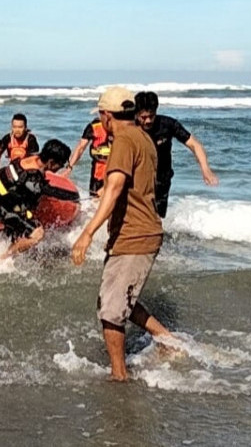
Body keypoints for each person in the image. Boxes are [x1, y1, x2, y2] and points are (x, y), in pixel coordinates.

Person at [71, 86, 180, 381]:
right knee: (119, 302)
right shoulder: (143, 138)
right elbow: (128, 185)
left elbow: (117, 185)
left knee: (111, 310)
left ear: (107, 116)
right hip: (140, 231)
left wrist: (87, 233)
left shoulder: (122, 140)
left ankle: (119, 376)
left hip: (135, 235)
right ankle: (168, 342)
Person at [135, 91, 218, 217]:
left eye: (151, 116)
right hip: (137, 180)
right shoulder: (130, 127)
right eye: (143, 117)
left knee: (157, 218)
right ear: (136, 114)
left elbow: (195, 144)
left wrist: (206, 169)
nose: (148, 121)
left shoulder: (168, 125)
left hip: (162, 180)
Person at [0, 139, 70, 259]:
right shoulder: (33, 178)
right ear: (51, 162)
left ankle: (14, 239)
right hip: (2, 205)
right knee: (38, 233)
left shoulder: (32, 158)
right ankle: (6, 257)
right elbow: (42, 195)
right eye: (61, 164)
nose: (61, 168)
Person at [62, 110, 113, 196]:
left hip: (113, 170)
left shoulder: (121, 127)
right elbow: (80, 148)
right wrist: (69, 167)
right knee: (96, 198)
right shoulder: (94, 127)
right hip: (98, 172)